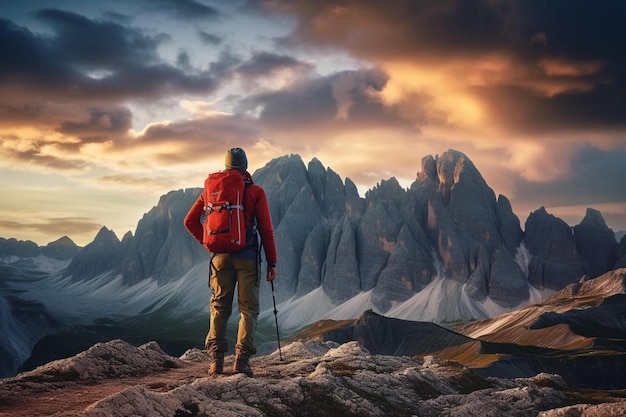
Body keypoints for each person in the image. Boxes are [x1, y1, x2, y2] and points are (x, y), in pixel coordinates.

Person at [184, 147, 277, 377]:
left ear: (226, 166)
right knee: (248, 309)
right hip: (247, 259)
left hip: (220, 258)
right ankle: (242, 362)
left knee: (219, 307)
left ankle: (216, 362)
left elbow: (190, 221)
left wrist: (209, 243)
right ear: (245, 166)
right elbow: (266, 229)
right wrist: (272, 262)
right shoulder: (256, 191)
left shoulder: (212, 190)